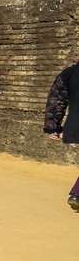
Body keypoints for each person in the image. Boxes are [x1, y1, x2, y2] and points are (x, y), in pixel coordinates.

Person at [47, 58, 79, 212]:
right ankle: (77, 194)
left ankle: (76, 195)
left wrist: (53, 126)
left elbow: (56, 99)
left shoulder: (69, 73)